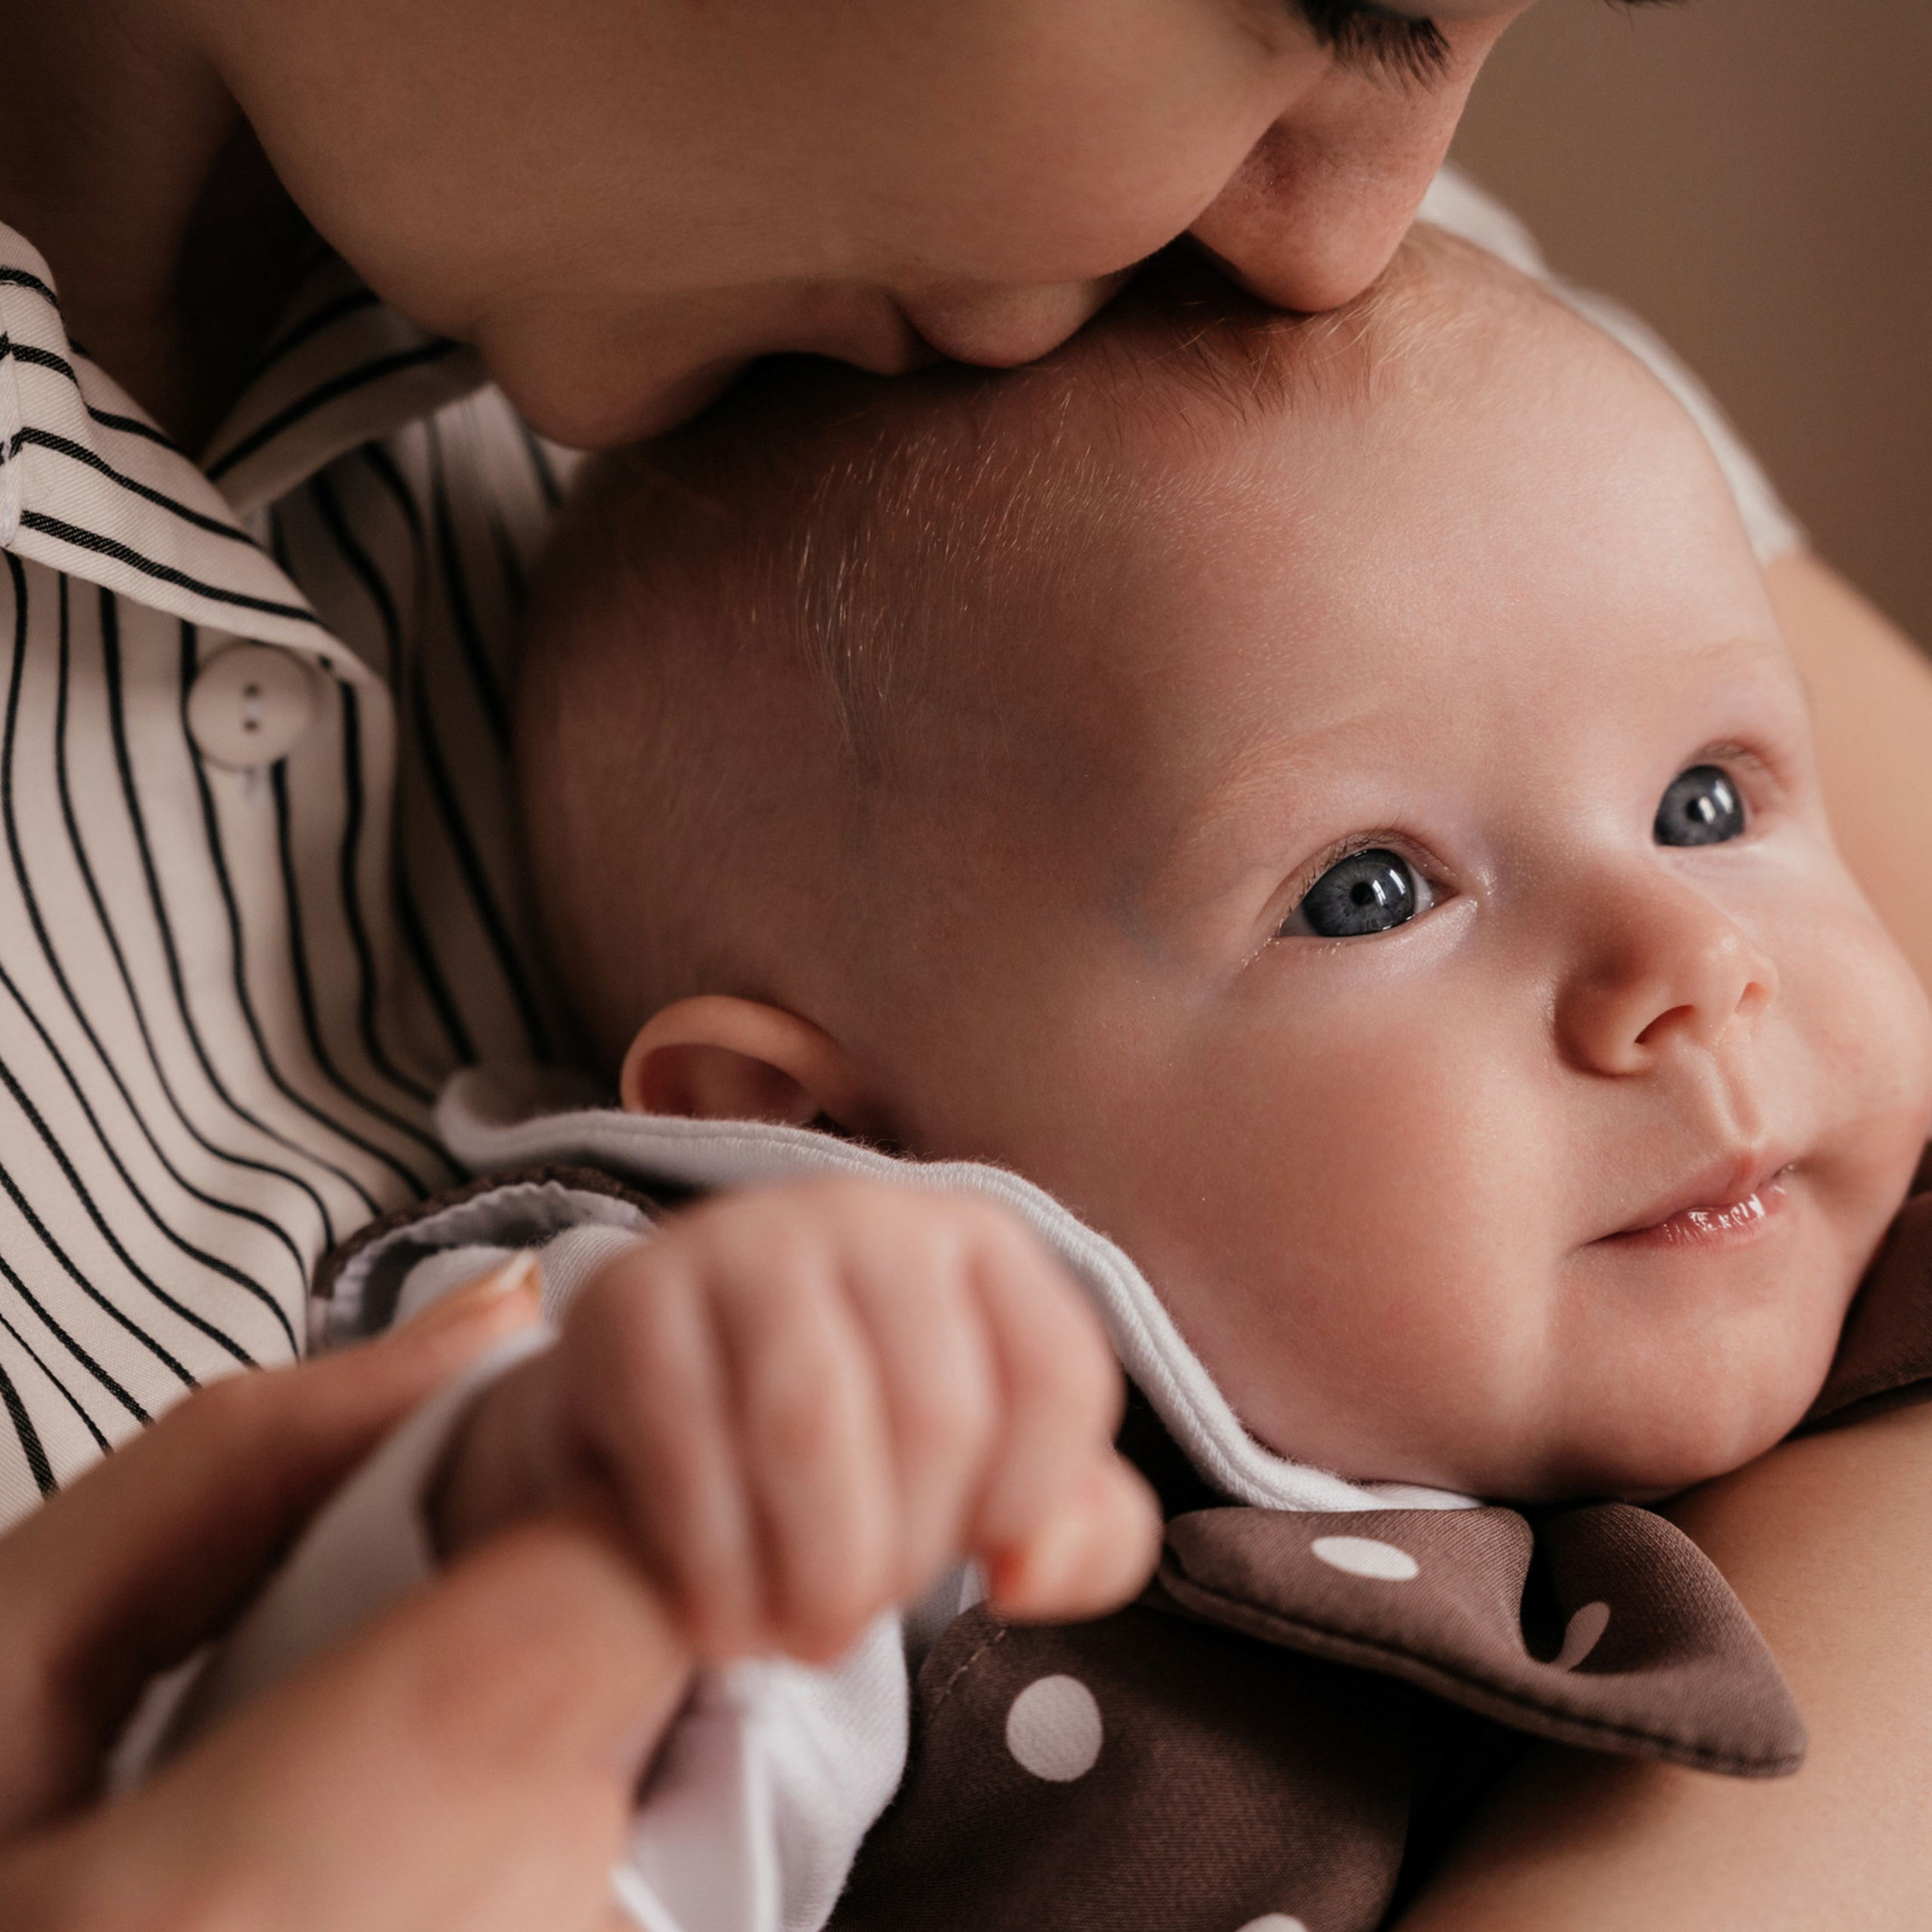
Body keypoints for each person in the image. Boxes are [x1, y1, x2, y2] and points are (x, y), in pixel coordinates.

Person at [5, 0, 1932, 1919]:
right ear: (822, 1144)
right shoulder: (816, 1443)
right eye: (1364, 891)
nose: (1695, 963)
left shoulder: (1288, 362)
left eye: (1704, 799)